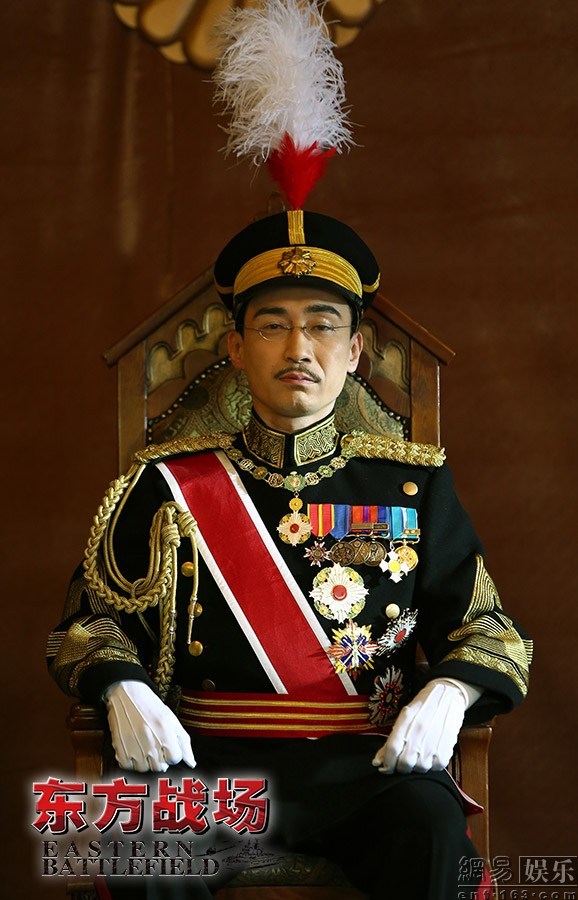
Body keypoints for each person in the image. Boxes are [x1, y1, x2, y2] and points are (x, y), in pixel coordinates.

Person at [47, 209, 532, 899]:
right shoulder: (165, 484)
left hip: (367, 769)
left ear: (355, 350)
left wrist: (452, 690)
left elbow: (491, 631)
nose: (299, 347)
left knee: (428, 825)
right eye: (273, 326)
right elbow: (87, 625)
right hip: (208, 767)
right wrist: (120, 687)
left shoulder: (412, 485)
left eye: (322, 325)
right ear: (238, 348)